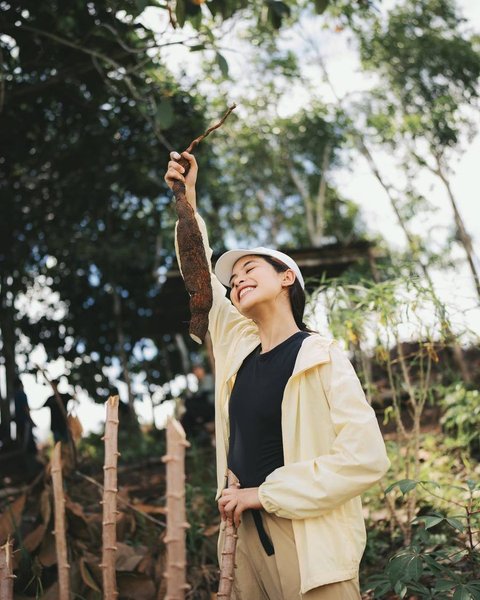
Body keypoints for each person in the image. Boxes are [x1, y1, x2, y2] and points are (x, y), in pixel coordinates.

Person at [165, 151, 390, 599]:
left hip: (310, 549)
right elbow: (201, 277)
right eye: (235, 279)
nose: (237, 281)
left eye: (250, 269)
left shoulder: (321, 356)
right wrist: (186, 199)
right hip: (245, 546)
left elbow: (366, 457)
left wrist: (262, 494)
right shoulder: (238, 349)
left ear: (287, 277)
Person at [14, 376, 37, 454]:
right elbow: (25, 409)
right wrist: (31, 421)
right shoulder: (22, 394)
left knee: (21, 440)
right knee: (26, 442)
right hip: (24, 421)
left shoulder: (14, 396)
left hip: (18, 421)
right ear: (21, 385)